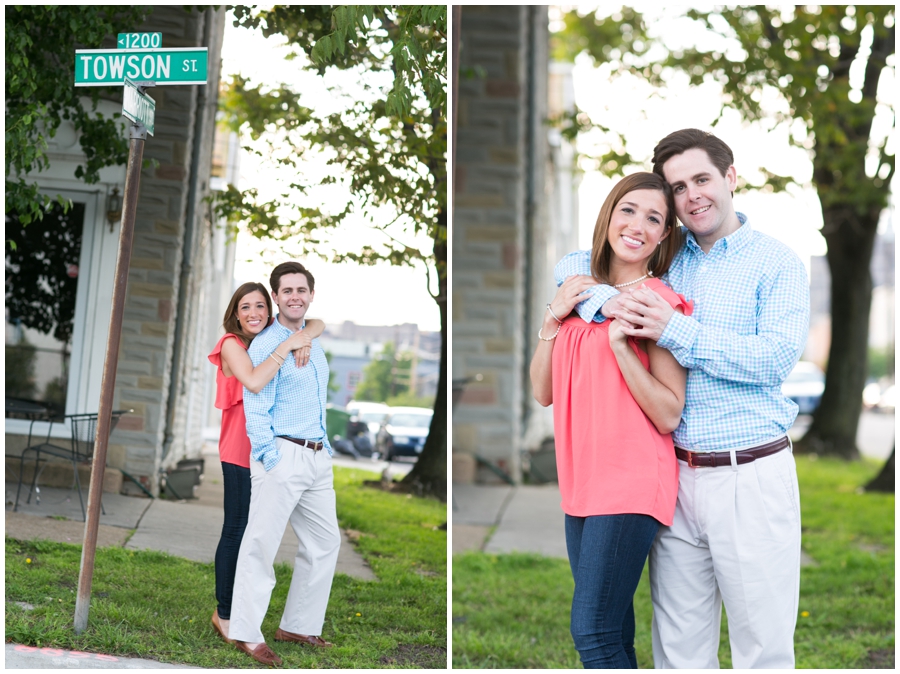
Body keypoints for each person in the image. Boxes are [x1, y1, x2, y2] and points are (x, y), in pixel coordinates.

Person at [555, 129, 809, 668]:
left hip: (749, 474)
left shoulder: (777, 263)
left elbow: (773, 361)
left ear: (730, 178)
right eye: (678, 187)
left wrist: (675, 330)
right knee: (679, 651)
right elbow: (576, 264)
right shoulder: (673, 258)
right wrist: (608, 304)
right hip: (674, 480)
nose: (692, 195)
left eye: (702, 179)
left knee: (761, 648)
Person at [530, 172, 692, 668]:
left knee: (593, 632)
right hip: (582, 482)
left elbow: (669, 413)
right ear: (608, 215)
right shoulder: (581, 295)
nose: (637, 225)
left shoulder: (657, 303)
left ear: (664, 235)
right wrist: (553, 319)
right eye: (628, 210)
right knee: (614, 630)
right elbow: (542, 392)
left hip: (631, 481)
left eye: (654, 218)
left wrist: (622, 346)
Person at [228, 261, 341, 666]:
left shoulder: (312, 337)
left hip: (316, 456)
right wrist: (269, 455)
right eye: (287, 290)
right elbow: (256, 408)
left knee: (325, 542)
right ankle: (244, 631)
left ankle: (298, 623)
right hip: (282, 454)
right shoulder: (266, 343)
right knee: (260, 544)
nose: (295, 296)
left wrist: (324, 446)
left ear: (311, 294)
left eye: (301, 289)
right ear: (275, 297)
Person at [207, 282, 325, 649]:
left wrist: (304, 335)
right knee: (238, 530)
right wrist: (290, 343)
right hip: (240, 450)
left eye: (260, 305)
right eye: (246, 307)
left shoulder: (271, 338)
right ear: (235, 313)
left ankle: (242, 612)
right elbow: (256, 382)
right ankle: (225, 613)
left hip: (267, 447)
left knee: (253, 532)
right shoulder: (232, 344)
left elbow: (316, 321)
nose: (254, 313)